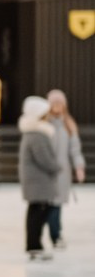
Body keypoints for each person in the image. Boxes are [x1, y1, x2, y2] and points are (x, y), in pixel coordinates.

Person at [18, 94, 61, 262]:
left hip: (37, 181)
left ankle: (34, 245)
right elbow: (44, 158)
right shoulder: (37, 134)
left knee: (37, 212)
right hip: (39, 181)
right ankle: (34, 246)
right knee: (38, 213)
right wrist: (56, 167)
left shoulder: (34, 132)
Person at [44, 89, 85, 248]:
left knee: (57, 204)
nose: (57, 106)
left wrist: (79, 167)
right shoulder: (45, 124)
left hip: (62, 173)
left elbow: (74, 149)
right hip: (47, 171)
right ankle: (46, 234)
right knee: (46, 204)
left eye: (59, 103)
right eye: (54, 103)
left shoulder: (69, 124)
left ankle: (56, 234)